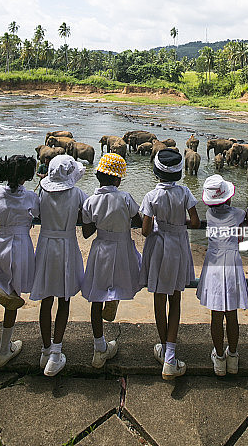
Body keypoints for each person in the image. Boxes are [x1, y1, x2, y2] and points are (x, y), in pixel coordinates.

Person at [140, 148, 200, 379]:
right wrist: (179, 224)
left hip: (158, 247)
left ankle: (164, 348)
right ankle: (171, 355)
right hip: (178, 246)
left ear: (156, 172)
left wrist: (160, 224)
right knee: (175, 299)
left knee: (159, 298)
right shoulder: (185, 192)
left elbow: (145, 231)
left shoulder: (151, 196)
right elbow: (195, 222)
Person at [81, 153, 142, 368]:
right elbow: (138, 221)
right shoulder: (125, 198)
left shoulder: (90, 201)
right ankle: (113, 298)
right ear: (117, 179)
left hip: (101, 248)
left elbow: (86, 232)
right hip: (123, 248)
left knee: (96, 295)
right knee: (129, 276)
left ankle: (99, 347)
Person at [30, 154, 87, 377]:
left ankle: (45, 349)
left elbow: (35, 213)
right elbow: (87, 214)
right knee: (64, 299)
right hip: (67, 244)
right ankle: (56, 351)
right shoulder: (77, 194)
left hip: (45, 244)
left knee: (46, 300)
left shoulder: (43, 192)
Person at [0, 155, 40, 368]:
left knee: (3, 278)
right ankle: (3, 349)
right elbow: (38, 213)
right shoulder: (30, 196)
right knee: (14, 295)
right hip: (20, 243)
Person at [196, 175, 248, 376]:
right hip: (232, 262)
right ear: (228, 196)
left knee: (216, 315)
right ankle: (233, 356)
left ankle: (219, 358)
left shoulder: (209, 215)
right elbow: (242, 236)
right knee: (232, 314)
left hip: (214, 262)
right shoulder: (239, 214)